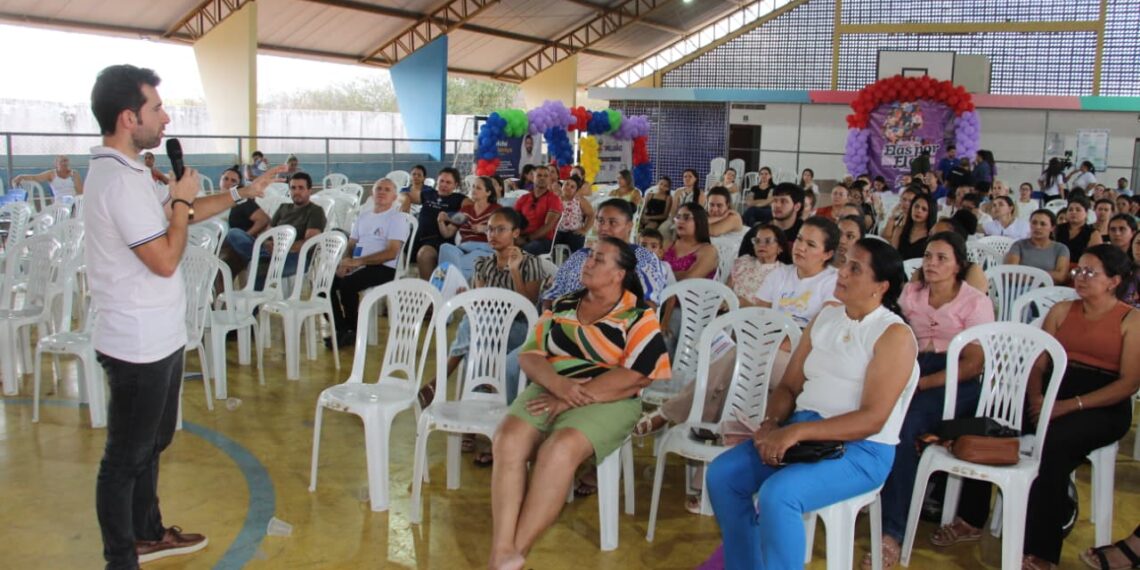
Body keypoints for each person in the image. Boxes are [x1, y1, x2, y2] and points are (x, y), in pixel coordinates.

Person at [86, 64, 285, 568]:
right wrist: (177, 197)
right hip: (134, 341)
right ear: (129, 117)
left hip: (159, 333)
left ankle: (148, 532)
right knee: (124, 458)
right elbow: (165, 257)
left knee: (154, 442)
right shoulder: (117, 181)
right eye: (156, 108)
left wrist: (244, 192)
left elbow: (187, 214)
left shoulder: (133, 172)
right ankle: (120, 556)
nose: (166, 116)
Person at [705, 237, 918, 570]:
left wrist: (797, 432)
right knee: (722, 475)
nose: (842, 272)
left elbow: (872, 419)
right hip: (803, 433)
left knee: (780, 495)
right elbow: (789, 386)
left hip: (859, 450)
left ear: (881, 286)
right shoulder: (827, 317)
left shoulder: (893, 335)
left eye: (854, 268)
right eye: (844, 263)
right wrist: (772, 424)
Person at [934, 244, 1139, 570]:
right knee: (988, 424)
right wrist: (1035, 400)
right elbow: (1039, 364)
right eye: (1078, 271)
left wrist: (1070, 405)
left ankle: (1042, 552)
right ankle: (971, 518)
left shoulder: (1130, 319)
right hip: (1050, 394)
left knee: (1052, 447)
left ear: (1114, 281)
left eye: (1090, 273)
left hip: (1101, 404)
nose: (1081, 278)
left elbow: (1128, 384)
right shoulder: (1061, 310)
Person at [488, 237, 670, 570]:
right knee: (507, 439)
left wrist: (570, 399)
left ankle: (517, 552)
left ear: (619, 274)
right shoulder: (563, 303)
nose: (587, 263)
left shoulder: (638, 314)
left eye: (599, 260)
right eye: (589, 257)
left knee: (558, 449)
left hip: (609, 400)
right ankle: (501, 549)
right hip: (553, 387)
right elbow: (530, 354)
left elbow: (641, 375)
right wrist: (559, 386)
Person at [872, 231, 994, 568]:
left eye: (941, 258)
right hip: (911, 366)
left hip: (955, 379)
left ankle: (892, 531)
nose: (932, 264)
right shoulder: (911, 293)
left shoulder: (974, 301)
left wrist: (922, 383)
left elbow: (973, 363)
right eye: (927, 256)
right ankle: (867, 499)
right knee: (869, 411)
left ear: (958, 265)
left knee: (903, 425)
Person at [417, 208, 544, 420]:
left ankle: (443, 376)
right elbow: (480, 304)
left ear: (515, 233)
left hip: (518, 330)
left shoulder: (530, 263)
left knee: (473, 328)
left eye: (501, 229)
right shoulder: (482, 263)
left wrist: (514, 271)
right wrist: (467, 299)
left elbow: (527, 306)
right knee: (475, 336)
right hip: (485, 327)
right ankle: (477, 415)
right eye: (490, 229)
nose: (493, 234)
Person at [327, 178, 408, 347]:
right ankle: (342, 328)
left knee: (347, 285)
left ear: (394, 197)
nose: (382, 192)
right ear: (372, 193)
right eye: (378, 188)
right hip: (358, 263)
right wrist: (346, 262)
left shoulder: (397, 218)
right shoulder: (363, 217)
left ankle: (353, 330)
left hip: (383, 267)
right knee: (324, 285)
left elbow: (392, 252)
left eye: (387, 190)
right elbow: (351, 244)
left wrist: (358, 262)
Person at [223, 172, 327, 285]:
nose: (296, 192)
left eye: (301, 188)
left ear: (309, 191)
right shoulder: (283, 207)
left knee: (261, 268)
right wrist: (267, 243)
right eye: (293, 188)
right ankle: (261, 256)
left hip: (296, 257)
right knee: (234, 233)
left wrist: (280, 248)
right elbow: (268, 232)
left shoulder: (315, 211)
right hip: (269, 252)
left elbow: (309, 242)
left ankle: (253, 301)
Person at [752, 216, 841, 328]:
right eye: (799, 239)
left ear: (828, 254)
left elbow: (824, 329)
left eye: (811, 244)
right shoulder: (779, 274)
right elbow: (757, 317)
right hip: (769, 339)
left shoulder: (835, 282)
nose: (800, 247)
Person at [437, 175, 502, 281]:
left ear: (488, 192)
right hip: (463, 248)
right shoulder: (465, 210)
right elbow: (447, 233)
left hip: (484, 248)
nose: (473, 190)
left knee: (454, 266)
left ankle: (450, 285)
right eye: (473, 187)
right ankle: (456, 283)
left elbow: (503, 232)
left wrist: (485, 229)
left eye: (478, 188)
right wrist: (441, 222)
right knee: (445, 247)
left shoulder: (497, 210)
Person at [412, 167, 470, 279]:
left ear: (455, 185)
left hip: (439, 240)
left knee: (424, 254)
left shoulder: (459, 199)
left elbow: (467, 215)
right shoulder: (428, 194)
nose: (444, 185)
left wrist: (448, 218)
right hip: (418, 238)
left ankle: (430, 292)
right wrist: (404, 199)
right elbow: (407, 196)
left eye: (448, 182)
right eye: (441, 181)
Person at [728, 223, 790, 307]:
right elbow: (726, 290)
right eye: (757, 241)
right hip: (728, 312)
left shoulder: (784, 274)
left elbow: (777, 309)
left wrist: (744, 304)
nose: (761, 245)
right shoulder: (743, 261)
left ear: (780, 248)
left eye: (768, 241)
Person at [1006, 209, 1071, 284]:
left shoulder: (1061, 249)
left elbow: (1061, 276)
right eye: (1034, 223)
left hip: (1049, 291)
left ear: (1052, 228)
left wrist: (1029, 274)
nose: (1037, 227)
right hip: (1020, 290)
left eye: (1043, 224)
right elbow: (1010, 273)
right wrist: (1043, 278)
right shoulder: (1018, 245)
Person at [513, 165, 563, 255]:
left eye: (546, 176)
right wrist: (515, 237)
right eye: (539, 175)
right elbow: (512, 219)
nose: (542, 178)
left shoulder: (554, 199)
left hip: (543, 240)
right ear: (533, 178)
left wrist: (527, 239)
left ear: (549, 179)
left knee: (524, 251)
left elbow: (548, 226)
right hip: (521, 236)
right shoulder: (523, 198)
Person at [663, 203, 718, 280]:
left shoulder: (708, 250)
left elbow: (690, 278)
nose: (680, 221)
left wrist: (661, 273)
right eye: (678, 217)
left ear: (699, 221)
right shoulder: (668, 244)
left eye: (686, 218)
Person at [549, 175, 592, 255]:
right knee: (547, 242)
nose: (568, 187)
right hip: (557, 232)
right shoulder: (555, 198)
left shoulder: (579, 200)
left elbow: (591, 215)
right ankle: (552, 264)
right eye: (567, 184)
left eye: (572, 187)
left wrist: (585, 229)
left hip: (573, 232)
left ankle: (575, 265)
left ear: (576, 190)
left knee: (577, 244)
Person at [1056, 195, 1103, 263]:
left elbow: (1095, 258)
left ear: (1086, 213)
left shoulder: (1093, 233)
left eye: (1078, 210)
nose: (1073, 212)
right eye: (1070, 209)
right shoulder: (1058, 228)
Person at [13, 154, 84, 197]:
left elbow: (80, 192)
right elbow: (35, 177)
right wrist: (21, 176)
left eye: (66, 161)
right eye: (61, 161)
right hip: (59, 203)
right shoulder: (51, 174)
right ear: (56, 164)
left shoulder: (74, 174)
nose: (64, 163)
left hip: (73, 201)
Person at [892, 193, 937, 260]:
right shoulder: (899, 230)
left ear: (930, 213)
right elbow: (892, 257)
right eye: (916, 206)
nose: (918, 211)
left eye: (924, 209)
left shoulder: (932, 236)